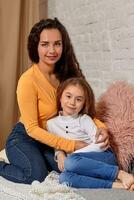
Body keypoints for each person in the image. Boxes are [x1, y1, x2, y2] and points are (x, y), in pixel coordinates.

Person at [0, 18, 109, 184]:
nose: (52, 50)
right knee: (35, 176)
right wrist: (70, 145)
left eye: (57, 44)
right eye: (45, 44)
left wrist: (102, 127)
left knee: (72, 169)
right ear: (35, 47)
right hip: (25, 137)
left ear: (63, 46)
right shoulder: (28, 80)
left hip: (52, 139)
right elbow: (32, 129)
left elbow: (83, 111)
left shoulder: (68, 75)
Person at [47, 77, 134, 190]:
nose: (72, 102)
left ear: (84, 103)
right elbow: (56, 143)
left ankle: (120, 174)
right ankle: (116, 185)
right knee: (64, 178)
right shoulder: (51, 124)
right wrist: (60, 154)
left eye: (78, 99)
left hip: (103, 156)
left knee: (71, 162)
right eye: (68, 96)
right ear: (60, 97)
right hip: (80, 164)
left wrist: (73, 155)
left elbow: (100, 145)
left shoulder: (84, 119)